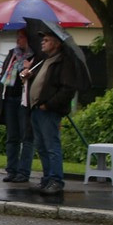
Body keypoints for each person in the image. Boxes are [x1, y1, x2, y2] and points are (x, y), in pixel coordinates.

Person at [22, 27, 80, 197]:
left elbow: (67, 89)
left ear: (56, 44)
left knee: (51, 145)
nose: (43, 42)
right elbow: (43, 81)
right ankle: (47, 179)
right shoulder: (44, 60)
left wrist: (48, 105)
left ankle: (56, 180)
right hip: (36, 109)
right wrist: (29, 75)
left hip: (48, 110)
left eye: (46, 40)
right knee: (41, 146)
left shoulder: (64, 62)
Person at [0, 29, 34, 183]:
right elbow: (4, 75)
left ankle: (23, 171)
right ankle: (11, 169)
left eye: (22, 37)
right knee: (12, 136)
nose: (18, 40)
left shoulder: (34, 56)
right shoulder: (13, 54)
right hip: (10, 98)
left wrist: (28, 68)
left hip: (24, 99)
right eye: (17, 36)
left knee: (26, 136)